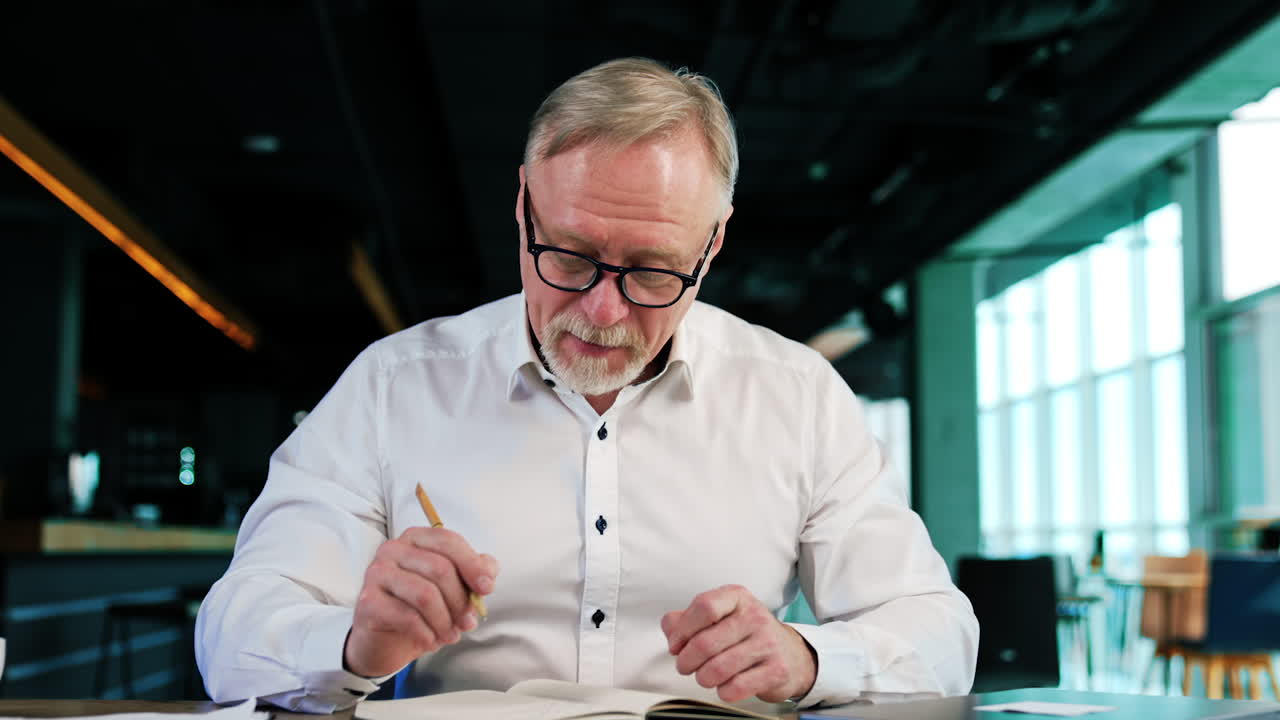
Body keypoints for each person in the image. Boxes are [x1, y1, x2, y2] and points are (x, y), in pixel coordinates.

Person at [195, 57, 978, 713]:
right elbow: (231, 635)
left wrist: (809, 659)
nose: (602, 311)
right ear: (523, 209)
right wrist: (352, 644)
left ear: (712, 246)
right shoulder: (394, 387)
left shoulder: (796, 396)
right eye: (568, 256)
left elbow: (942, 634)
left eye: (652, 271)